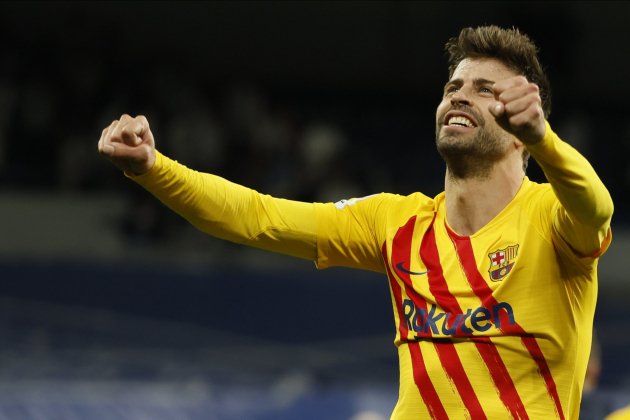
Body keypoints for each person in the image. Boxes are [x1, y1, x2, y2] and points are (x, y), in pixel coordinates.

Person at [97, 26, 613, 419]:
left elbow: (596, 208)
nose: (458, 95)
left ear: (522, 126)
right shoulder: (396, 223)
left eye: (484, 89)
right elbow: (257, 217)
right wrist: (153, 169)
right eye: (453, 86)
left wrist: (546, 140)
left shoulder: (551, 217)